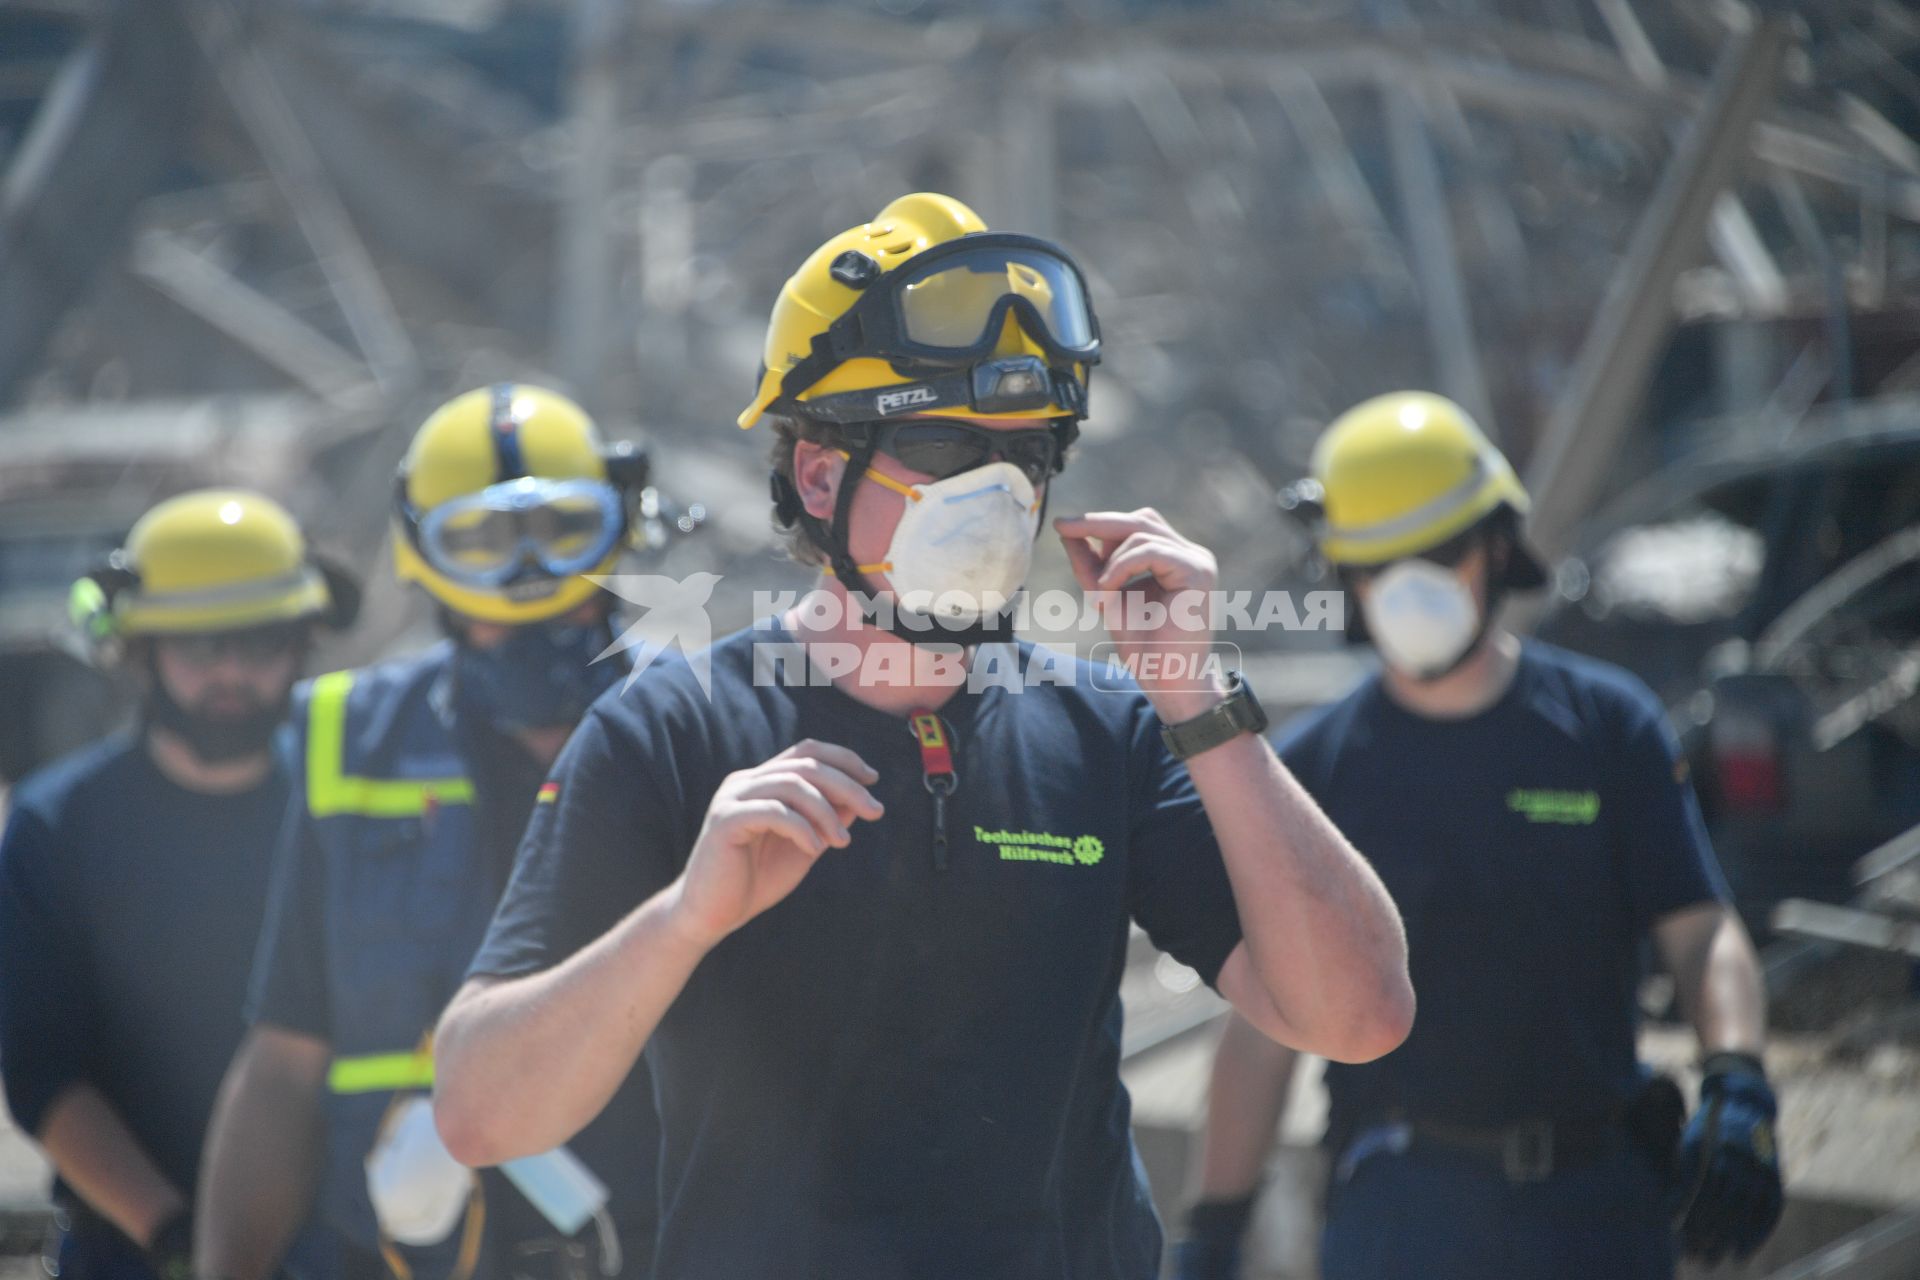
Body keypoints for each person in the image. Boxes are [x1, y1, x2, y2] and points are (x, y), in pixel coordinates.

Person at [429, 192, 1414, 1280]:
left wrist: (1201, 702)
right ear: (817, 471)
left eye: (1026, 453)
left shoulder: (1112, 731)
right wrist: (682, 920)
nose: (998, 494)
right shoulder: (675, 731)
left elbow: (1359, 1014)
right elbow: (480, 1114)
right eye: (944, 446)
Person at [1171, 391, 1784, 1280]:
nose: (1410, 585)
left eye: (1440, 552)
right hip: (1398, 1211)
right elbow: (1263, 1030)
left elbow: (1700, 928)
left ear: (1499, 546)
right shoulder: (1306, 773)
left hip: (1597, 1201)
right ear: (1345, 579)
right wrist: (1213, 1228)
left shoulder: (1608, 727)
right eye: (1379, 563)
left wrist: (1739, 1082)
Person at [195, 386, 662, 1280]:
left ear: (621, 529)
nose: (527, 576)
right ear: (420, 553)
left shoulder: (706, 726)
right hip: (404, 1253)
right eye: (481, 542)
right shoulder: (349, 736)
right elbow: (286, 1055)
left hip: (653, 1244)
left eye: (563, 529)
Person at [0, 489, 355, 1280]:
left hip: (345, 1246)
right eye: (200, 648)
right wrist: (182, 1242)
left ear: (303, 643)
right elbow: (45, 1079)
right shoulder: (59, 830)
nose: (230, 673)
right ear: (139, 650)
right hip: (134, 1254)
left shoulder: (346, 812)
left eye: (259, 644)